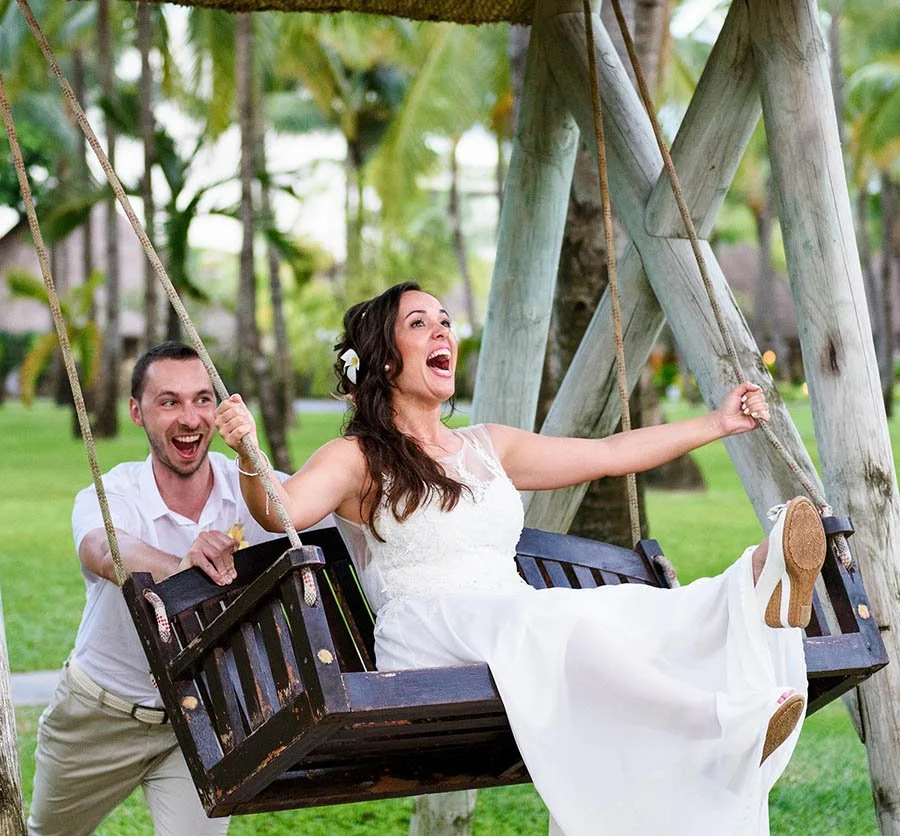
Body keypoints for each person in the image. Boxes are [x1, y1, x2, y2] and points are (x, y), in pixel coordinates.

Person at [215, 282, 827, 836]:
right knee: (548, 619)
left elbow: (608, 453)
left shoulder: (488, 446)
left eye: (445, 321)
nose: (442, 332)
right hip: (426, 629)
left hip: (511, 617)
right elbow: (283, 510)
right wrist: (247, 452)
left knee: (621, 605)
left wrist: (718, 422)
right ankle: (720, 724)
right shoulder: (357, 457)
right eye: (419, 324)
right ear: (383, 359)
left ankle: (752, 582)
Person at [28, 342, 330, 836]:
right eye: (169, 402)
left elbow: (339, 508)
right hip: (100, 713)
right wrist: (180, 570)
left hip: (202, 718)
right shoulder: (115, 491)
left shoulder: (252, 488)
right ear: (136, 411)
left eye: (202, 399)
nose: (189, 418)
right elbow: (103, 548)